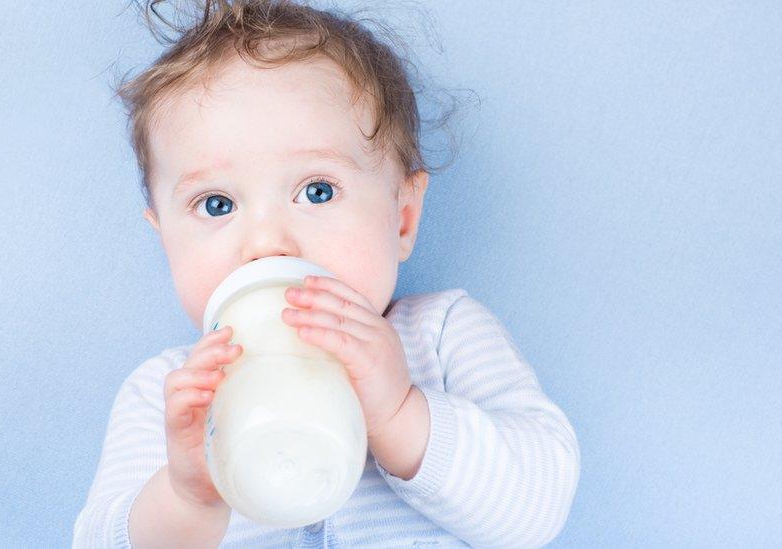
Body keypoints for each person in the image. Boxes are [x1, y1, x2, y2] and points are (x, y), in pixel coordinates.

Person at [73, 1, 580, 546]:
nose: (267, 243)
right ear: (165, 239)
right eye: (217, 205)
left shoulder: (440, 338)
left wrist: (401, 414)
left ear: (402, 218)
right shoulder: (170, 397)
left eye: (317, 191)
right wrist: (186, 496)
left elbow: (537, 507)